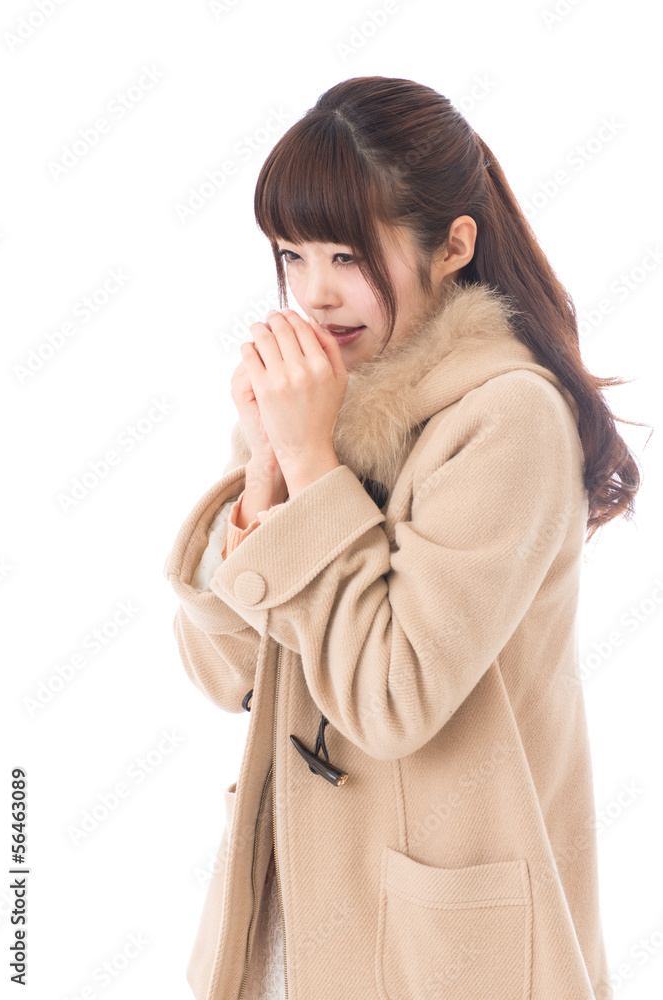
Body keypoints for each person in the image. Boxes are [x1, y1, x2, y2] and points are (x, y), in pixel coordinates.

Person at [163, 76, 644, 1000]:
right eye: (290, 256)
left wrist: (309, 467)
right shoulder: (314, 412)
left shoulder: (508, 420)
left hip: (441, 954)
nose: (313, 296)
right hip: (291, 920)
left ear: (452, 244)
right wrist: (265, 472)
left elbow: (391, 700)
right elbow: (224, 675)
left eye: (346, 255)